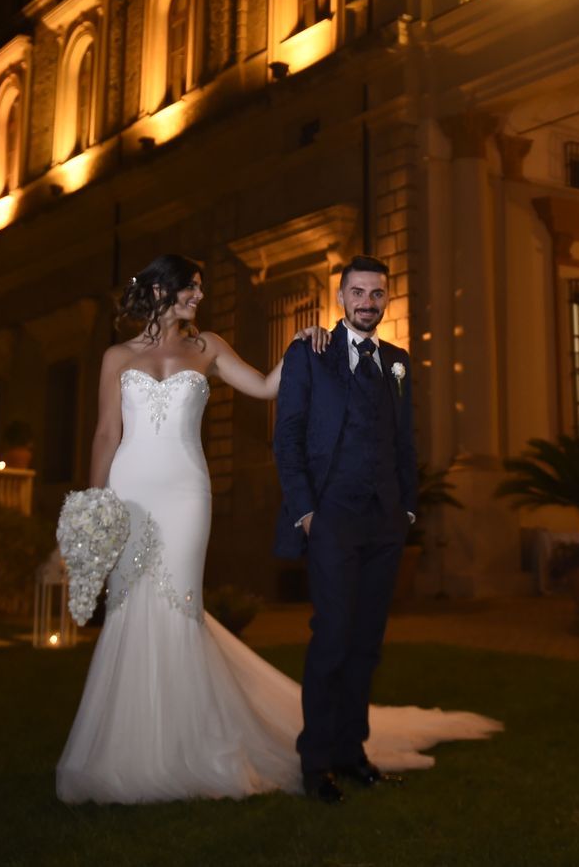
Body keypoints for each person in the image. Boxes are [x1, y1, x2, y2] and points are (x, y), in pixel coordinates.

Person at [56, 253, 497, 805]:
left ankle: (190, 744)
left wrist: (304, 340)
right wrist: (94, 506)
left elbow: (266, 388)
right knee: (128, 607)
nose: (199, 298)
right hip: (129, 488)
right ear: (163, 291)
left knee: (178, 605)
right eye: (192, 289)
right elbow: (103, 434)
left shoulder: (208, 346)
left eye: (200, 289)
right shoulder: (116, 356)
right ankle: (130, 746)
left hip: (186, 491)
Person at [273, 255, 431, 805]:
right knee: (333, 638)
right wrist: (307, 511)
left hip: (385, 520)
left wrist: (407, 509)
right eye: (358, 293)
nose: (368, 302)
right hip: (332, 517)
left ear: (387, 299)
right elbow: (287, 437)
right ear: (341, 298)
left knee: (367, 644)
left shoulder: (398, 361)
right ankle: (315, 762)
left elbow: (405, 442)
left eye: (377, 293)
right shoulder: (310, 353)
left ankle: (351, 751)